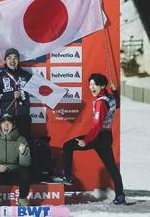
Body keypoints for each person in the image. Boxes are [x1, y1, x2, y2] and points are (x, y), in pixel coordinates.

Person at [53, 73, 126, 205]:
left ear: (102, 86)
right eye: (90, 84)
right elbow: (117, 103)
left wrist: (86, 141)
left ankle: (67, 176)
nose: (91, 87)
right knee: (112, 168)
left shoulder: (100, 103)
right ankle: (120, 195)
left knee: (68, 146)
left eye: (95, 85)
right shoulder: (110, 98)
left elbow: (97, 126)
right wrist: (114, 91)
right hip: (106, 137)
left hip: (98, 136)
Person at [0, 113, 31, 206]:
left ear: (13, 125)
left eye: (9, 123)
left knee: (25, 173)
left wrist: (22, 154)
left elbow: (26, 163)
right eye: (3, 123)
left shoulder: (21, 140)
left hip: (14, 172)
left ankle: (22, 198)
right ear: (0, 125)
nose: (6, 125)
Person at [0, 48, 32, 140]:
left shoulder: (26, 75)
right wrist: (10, 95)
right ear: (5, 60)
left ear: (18, 60)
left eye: (15, 58)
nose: (12, 61)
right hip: (7, 116)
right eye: (9, 58)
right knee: (7, 141)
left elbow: (36, 90)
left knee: (25, 141)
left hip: (23, 115)